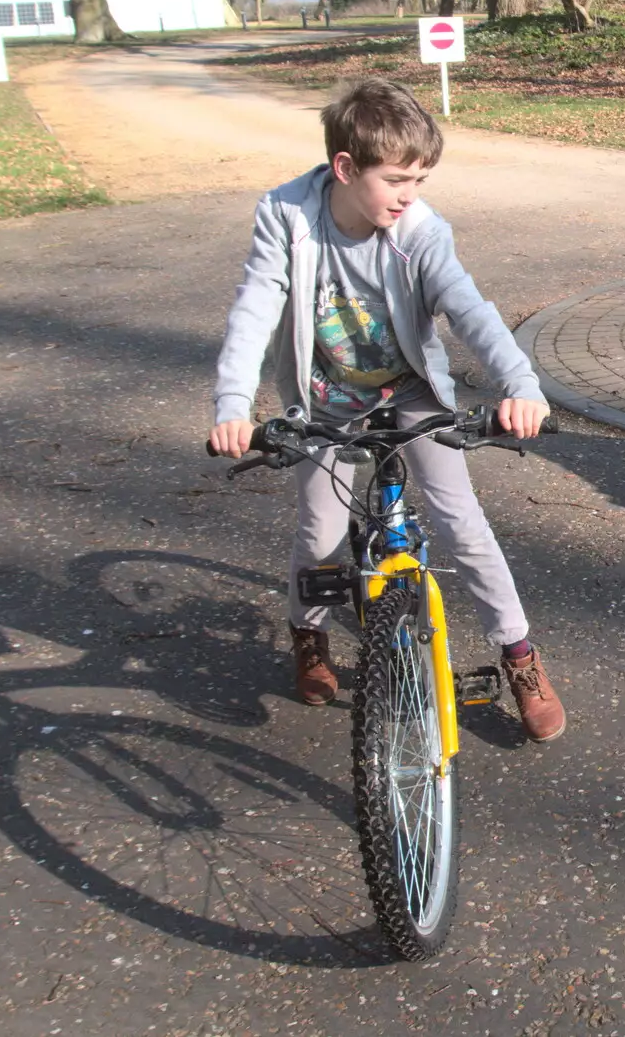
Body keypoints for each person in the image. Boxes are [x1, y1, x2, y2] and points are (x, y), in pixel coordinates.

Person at [209, 78, 566, 740]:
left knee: (462, 521)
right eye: (397, 179)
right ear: (345, 168)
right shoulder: (287, 217)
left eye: (421, 180)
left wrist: (521, 384)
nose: (410, 195)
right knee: (319, 533)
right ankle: (310, 637)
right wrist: (234, 404)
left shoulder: (420, 232)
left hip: (408, 396)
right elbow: (254, 309)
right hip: (324, 401)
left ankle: (519, 655)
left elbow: (469, 309)